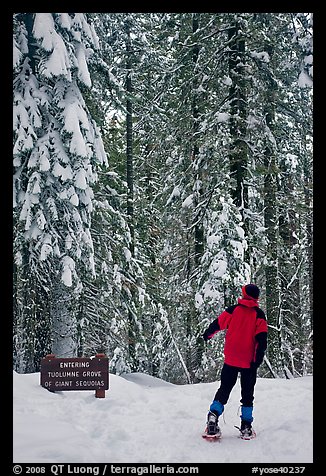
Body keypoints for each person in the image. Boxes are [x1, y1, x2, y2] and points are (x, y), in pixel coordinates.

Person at [202, 284, 268, 439]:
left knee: (224, 388)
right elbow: (262, 340)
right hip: (249, 362)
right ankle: (246, 426)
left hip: (231, 359)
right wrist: (257, 359)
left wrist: (207, 335)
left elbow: (217, 324)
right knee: (247, 394)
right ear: (257, 297)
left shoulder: (233, 310)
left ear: (244, 294)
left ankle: (213, 417)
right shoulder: (259, 315)